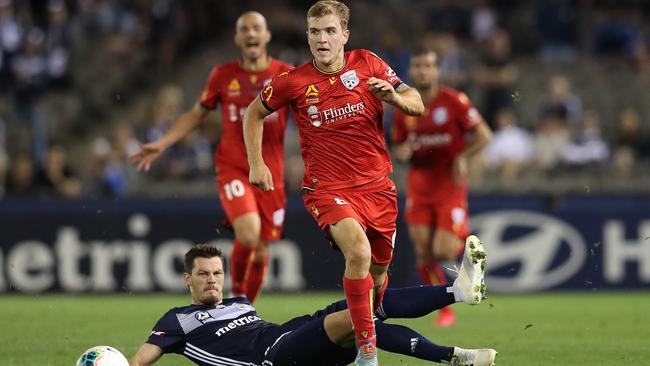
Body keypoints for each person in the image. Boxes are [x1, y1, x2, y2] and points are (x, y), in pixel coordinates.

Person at [243, 2, 425, 364]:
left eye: (329, 31)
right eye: (314, 32)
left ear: (345, 34)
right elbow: (254, 113)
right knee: (358, 252)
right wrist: (257, 162)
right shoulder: (293, 81)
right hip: (327, 190)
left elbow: (417, 102)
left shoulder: (369, 63)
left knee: (378, 274)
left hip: (378, 188)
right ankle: (367, 351)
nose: (321, 39)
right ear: (308, 36)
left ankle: (354, 331)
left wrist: (394, 98)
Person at [129, 12, 293, 302]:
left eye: (257, 28)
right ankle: (237, 296)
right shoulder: (223, 75)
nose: (251, 34)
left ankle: (244, 310)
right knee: (249, 232)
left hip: (271, 173)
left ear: (267, 36)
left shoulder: (286, 75)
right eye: (245, 29)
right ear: (237, 38)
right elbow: (197, 114)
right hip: (234, 168)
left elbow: (309, 118)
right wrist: (164, 142)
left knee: (262, 251)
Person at [129, 240, 497, 366]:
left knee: (365, 299)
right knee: (356, 319)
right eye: (203, 274)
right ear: (187, 279)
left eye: (216, 273)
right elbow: (142, 359)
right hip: (269, 359)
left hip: (289, 335)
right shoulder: (178, 319)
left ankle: (457, 293)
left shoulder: (239, 301)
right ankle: (451, 356)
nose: (212, 280)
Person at [391, 48, 492, 327]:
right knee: (423, 253)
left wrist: (462, 156)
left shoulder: (454, 101)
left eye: (428, 65)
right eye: (418, 65)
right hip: (419, 187)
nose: (423, 70)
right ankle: (445, 309)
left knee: (444, 252)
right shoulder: (404, 106)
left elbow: (484, 135)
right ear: (411, 70)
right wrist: (402, 153)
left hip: (449, 186)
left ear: (437, 70)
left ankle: (472, 262)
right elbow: (399, 148)